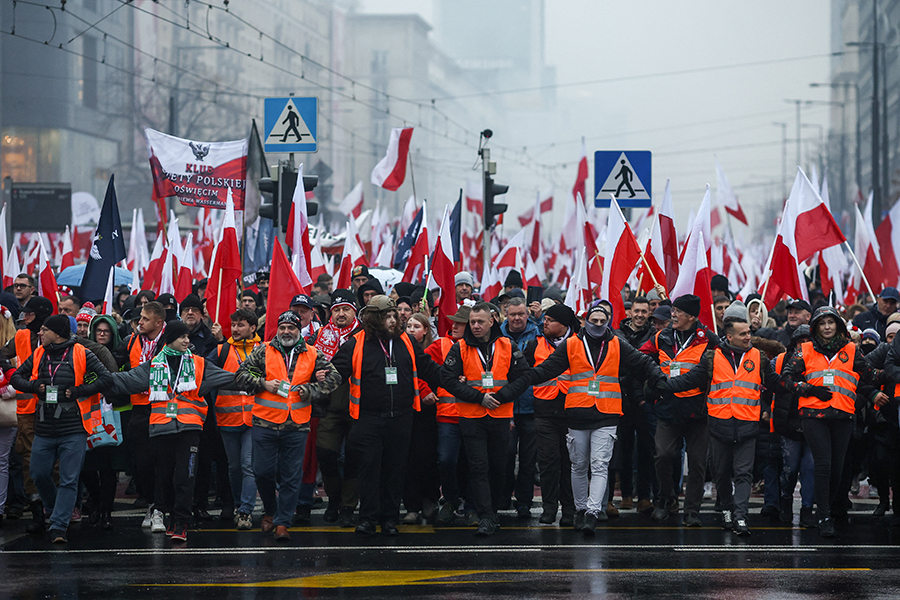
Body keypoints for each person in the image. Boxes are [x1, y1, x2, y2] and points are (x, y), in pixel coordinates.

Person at [109, 321, 235, 543]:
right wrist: (97, 377)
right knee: (164, 478)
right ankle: (166, 515)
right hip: (161, 429)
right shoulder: (153, 366)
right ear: (170, 339)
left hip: (190, 429)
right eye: (182, 337)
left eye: (188, 336)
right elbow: (124, 381)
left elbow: (230, 377)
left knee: (185, 477)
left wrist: (259, 380)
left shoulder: (199, 363)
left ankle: (181, 523)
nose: (187, 340)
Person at [331, 296, 443, 535]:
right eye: (387, 316)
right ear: (374, 319)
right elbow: (334, 373)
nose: (393, 320)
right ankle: (368, 518)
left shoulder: (407, 342)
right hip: (367, 418)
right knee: (369, 470)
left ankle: (390, 519)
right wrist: (317, 378)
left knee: (395, 470)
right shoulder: (355, 344)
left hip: (401, 418)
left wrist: (456, 380)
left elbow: (430, 369)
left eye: (394, 315)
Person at [667, 317, 784, 535]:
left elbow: (776, 383)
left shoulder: (758, 357)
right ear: (729, 337)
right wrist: (663, 385)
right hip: (719, 426)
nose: (748, 337)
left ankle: (740, 517)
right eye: (743, 334)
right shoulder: (712, 357)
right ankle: (727, 511)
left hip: (748, 426)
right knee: (720, 474)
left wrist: (801, 387)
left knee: (743, 474)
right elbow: (689, 380)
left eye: (749, 332)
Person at [234, 311, 340, 541]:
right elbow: (240, 376)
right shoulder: (263, 350)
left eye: (291, 327)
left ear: (299, 330)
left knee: (292, 477)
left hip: (297, 425)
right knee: (262, 472)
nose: (286, 332)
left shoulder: (312, 352)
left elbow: (335, 378)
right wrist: (263, 383)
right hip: (265, 422)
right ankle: (271, 510)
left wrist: (310, 390)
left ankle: (283, 522)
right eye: (282, 327)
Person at [11, 314, 113, 543]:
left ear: (57, 333)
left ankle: (59, 526)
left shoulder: (81, 353)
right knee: (38, 474)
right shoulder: (39, 353)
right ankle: (54, 508)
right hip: (44, 428)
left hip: (73, 428)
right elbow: (16, 377)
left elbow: (106, 378)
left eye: (45, 330)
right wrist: (33, 386)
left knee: (69, 479)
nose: (40, 333)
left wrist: (80, 390)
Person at [784, 306, 883, 537]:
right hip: (814, 416)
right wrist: (810, 389)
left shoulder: (851, 349)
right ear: (815, 327)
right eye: (822, 323)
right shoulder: (805, 350)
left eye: (831, 322)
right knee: (824, 465)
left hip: (843, 416)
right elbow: (787, 378)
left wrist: (891, 369)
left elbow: (870, 375)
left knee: (838, 470)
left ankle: (827, 506)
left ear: (838, 325)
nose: (827, 327)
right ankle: (824, 516)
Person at [440, 302, 531, 536]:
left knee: (498, 467)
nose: (476, 326)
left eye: (480, 321)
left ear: (492, 321)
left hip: (500, 415)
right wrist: (479, 398)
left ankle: (493, 511)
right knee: (478, 467)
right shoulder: (460, 348)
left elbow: (523, 377)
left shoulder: (507, 345)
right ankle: (486, 516)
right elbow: (447, 379)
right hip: (472, 417)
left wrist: (501, 397)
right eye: (472, 322)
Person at [639, 294, 719, 526]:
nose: (672, 315)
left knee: (697, 464)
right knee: (663, 455)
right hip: (667, 408)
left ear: (691, 317)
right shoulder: (661, 336)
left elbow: (709, 370)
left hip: (698, 411)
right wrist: (652, 381)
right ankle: (666, 499)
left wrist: (666, 385)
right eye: (673, 311)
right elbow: (642, 357)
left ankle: (692, 510)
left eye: (677, 312)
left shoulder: (709, 339)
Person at [1, 296, 54, 533]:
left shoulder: (57, 336)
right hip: (27, 410)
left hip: (53, 409)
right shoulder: (21, 335)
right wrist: (13, 376)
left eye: (30, 313)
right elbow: (2, 355)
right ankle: (37, 511)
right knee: (29, 462)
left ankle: (57, 510)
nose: (26, 317)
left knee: (55, 462)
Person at [523, 303, 579, 526]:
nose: (544, 323)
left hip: (572, 411)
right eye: (544, 319)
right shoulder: (534, 344)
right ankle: (549, 508)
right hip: (544, 412)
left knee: (570, 463)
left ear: (563, 324)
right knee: (548, 462)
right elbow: (522, 373)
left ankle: (569, 510)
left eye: (550, 320)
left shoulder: (579, 344)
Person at [113, 301, 167, 524]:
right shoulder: (130, 340)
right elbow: (112, 363)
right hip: (139, 407)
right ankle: (152, 502)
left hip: (164, 407)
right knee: (141, 461)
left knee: (163, 461)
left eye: (145, 319)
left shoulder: (171, 340)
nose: (139, 322)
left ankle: (161, 508)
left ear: (158, 322)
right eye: (139, 318)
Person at [211, 309, 262, 531]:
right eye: (233, 325)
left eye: (241, 325)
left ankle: (245, 511)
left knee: (248, 465)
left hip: (255, 419)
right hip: (227, 419)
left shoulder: (264, 350)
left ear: (253, 327)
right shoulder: (221, 350)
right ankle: (239, 504)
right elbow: (204, 372)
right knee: (234, 468)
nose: (235, 329)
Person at [313, 290, 361, 527]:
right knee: (326, 453)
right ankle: (333, 499)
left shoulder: (364, 335)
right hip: (330, 404)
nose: (341, 314)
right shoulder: (321, 335)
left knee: (354, 457)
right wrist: (315, 373)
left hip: (357, 404)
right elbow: (308, 363)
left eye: (346, 309)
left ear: (354, 311)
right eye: (337, 310)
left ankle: (348, 507)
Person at [428, 305, 472, 526]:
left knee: (473, 464)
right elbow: (420, 369)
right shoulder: (440, 345)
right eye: (454, 322)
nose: (454, 326)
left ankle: (471, 505)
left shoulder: (483, 348)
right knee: (446, 461)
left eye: (460, 323)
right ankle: (451, 500)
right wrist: (424, 391)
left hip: (475, 415)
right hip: (448, 416)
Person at [772, 324, 817, 529]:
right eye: (801, 342)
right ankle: (785, 503)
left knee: (810, 468)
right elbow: (768, 386)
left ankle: (807, 509)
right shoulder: (780, 361)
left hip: (813, 423)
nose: (804, 345)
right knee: (789, 470)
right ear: (794, 344)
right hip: (788, 424)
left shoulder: (819, 362)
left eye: (808, 341)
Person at [499, 297, 540, 518]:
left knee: (528, 459)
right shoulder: (497, 336)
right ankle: (503, 495)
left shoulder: (538, 335)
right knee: (505, 455)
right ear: (506, 314)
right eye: (512, 314)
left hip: (531, 406)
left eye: (521, 314)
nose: (516, 318)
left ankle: (524, 502)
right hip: (504, 406)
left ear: (527, 314)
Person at [401, 313, 440, 524]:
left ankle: (429, 500)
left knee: (427, 457)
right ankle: (411, 506)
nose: (411, 329)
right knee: (409, 459)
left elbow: (436, 374)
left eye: (416, 326)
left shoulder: (433, 350)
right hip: (408, 409)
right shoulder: (400, 349)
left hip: (429, 410)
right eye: (408, 326)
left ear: (425, 330)